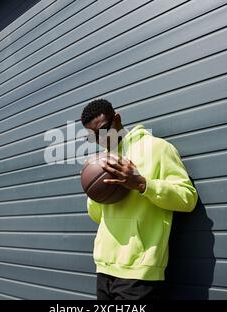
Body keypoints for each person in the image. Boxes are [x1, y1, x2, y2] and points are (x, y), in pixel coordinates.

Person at [81, 99, 198, 300]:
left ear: (117, 119)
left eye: (103, 131)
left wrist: (142, 184)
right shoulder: (102, 162)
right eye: (94, 137)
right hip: (104, 267)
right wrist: (94, 193)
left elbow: (187, 199)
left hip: (139, 271)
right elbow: (98, 217)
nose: (101, 140)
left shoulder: (158, 148)